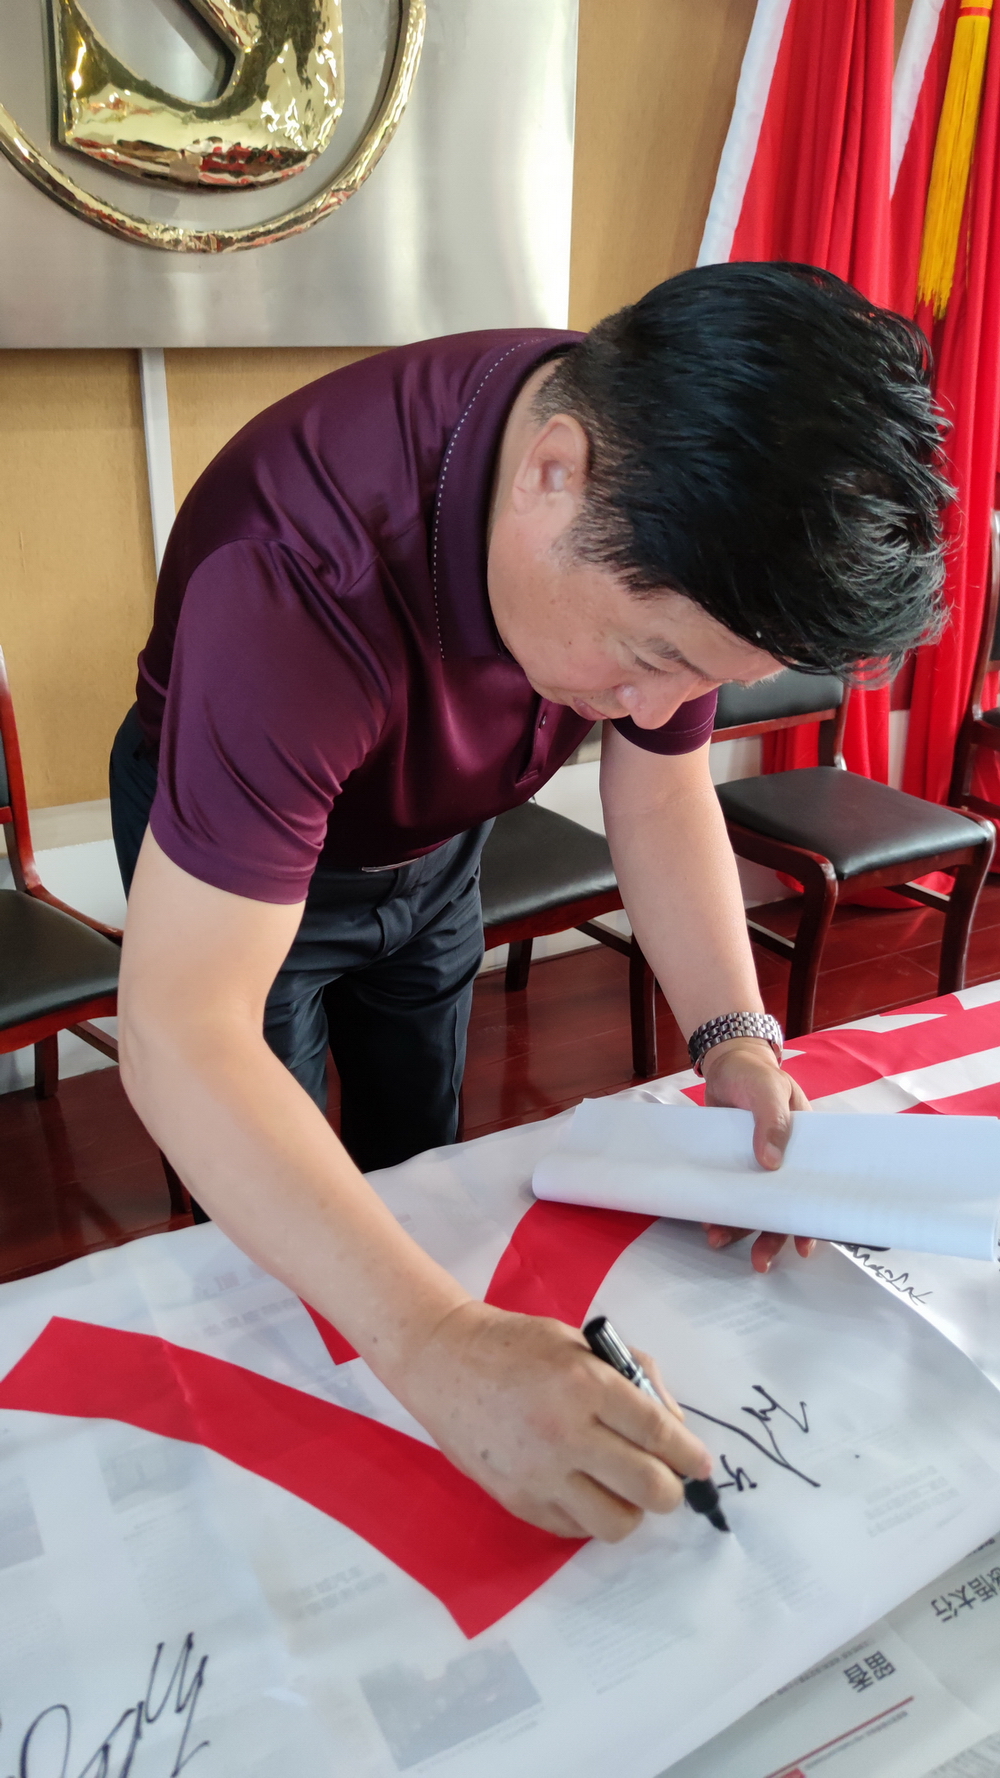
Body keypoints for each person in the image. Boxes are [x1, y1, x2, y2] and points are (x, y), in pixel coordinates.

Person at [111, 263, 948, 1545]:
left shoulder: (667, 469)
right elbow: (183, 1029)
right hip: (239, 864)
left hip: (438, 834)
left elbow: (661, 790)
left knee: (418, 1150)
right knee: (264, 1198)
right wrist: (436, 1339)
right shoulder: (298, 579)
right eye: (655, 658)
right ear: (553, 471)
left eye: (704, 680)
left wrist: (733, 1038)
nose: (661, 710)